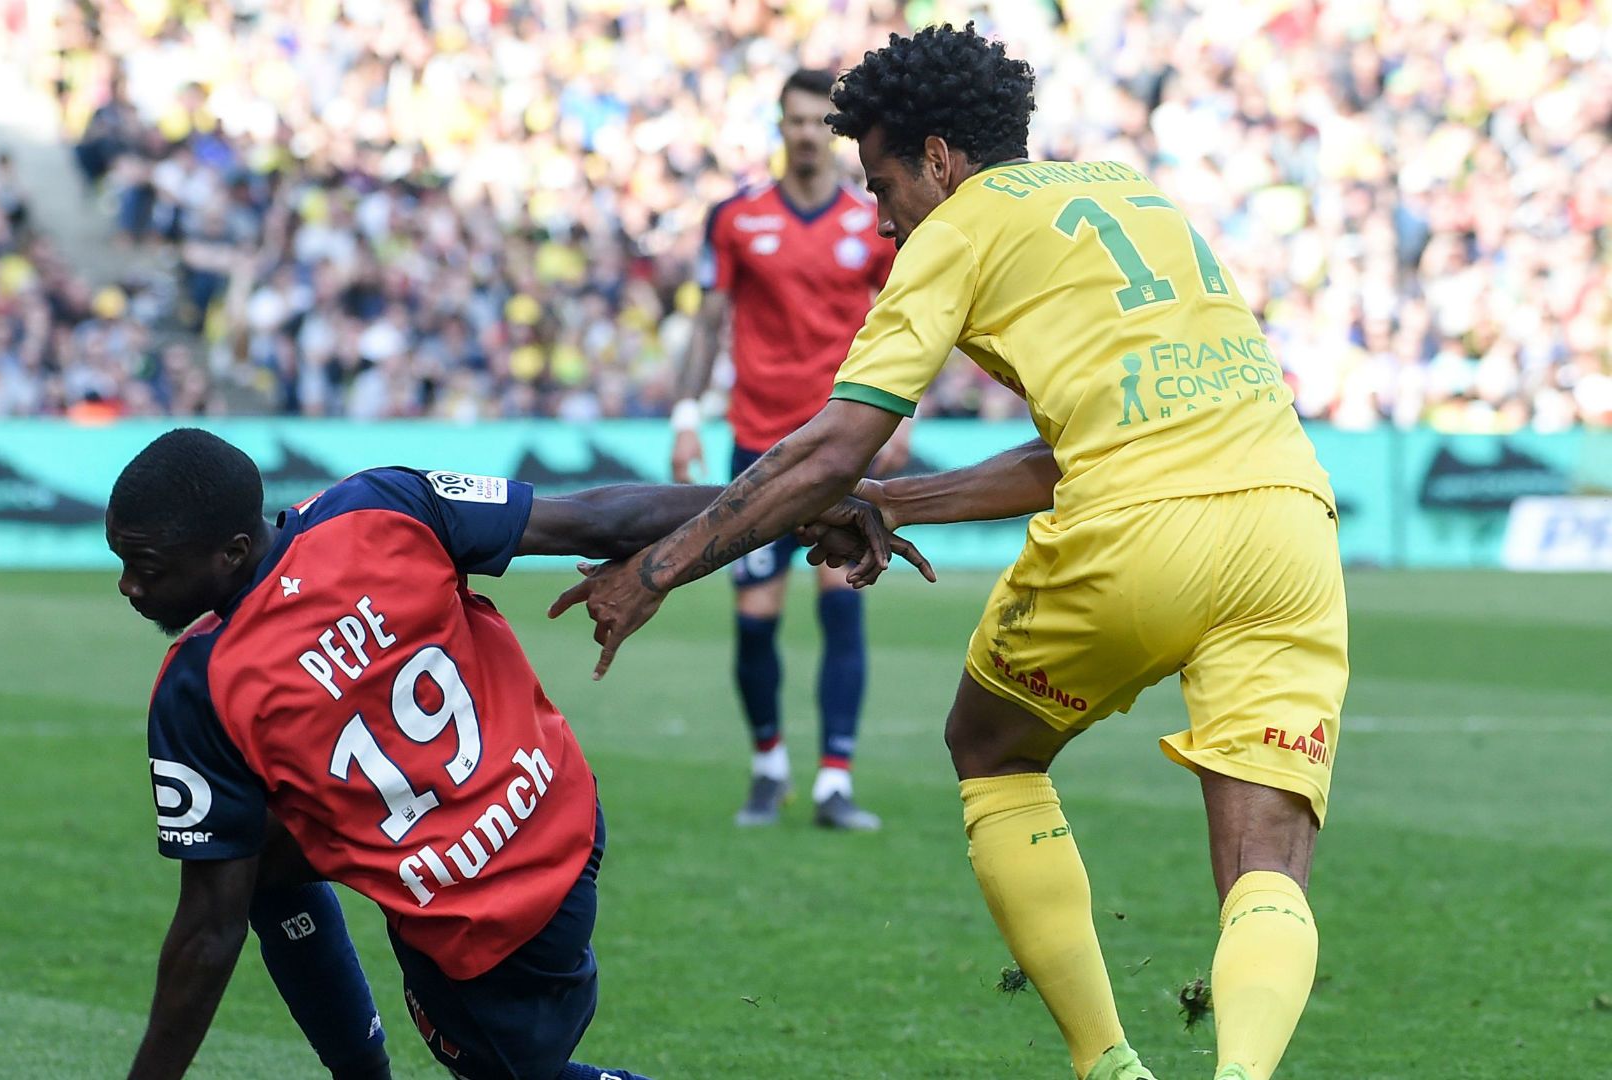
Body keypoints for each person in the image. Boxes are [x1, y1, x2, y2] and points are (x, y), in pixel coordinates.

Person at [555, 25, 1344, 1080]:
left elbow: (836, 440)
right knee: (1268, 858)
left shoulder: (956, 229)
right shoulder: (1136, 193)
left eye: (883, 183)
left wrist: (657, 568)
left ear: (939, 157)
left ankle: (1108, 1065)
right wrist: (895, 502)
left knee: (993, 748)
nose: (880, 219)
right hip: (1290, 524)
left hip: (1140, 528)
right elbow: (1074, 443)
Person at [107, 428, 918, 1080]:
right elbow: (597, 518)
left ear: (232, 550)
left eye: (144, 567)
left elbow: (206, 933)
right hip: (559, 814)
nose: (129, 588)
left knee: (510, 1071)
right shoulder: (380, 503)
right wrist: (785, 504)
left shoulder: (197, 683)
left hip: (478, 922)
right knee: (265, 862)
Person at [673, 67, 904, 829]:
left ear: (832, 131)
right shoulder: (735, 217)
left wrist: (902, 415)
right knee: (757, 612)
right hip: (755, 445)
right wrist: (684, 414)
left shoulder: (869, 220)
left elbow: (904, 319)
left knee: (844, 603)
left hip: (841, 443)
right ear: (780, 127)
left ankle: (835, 777)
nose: (806, 132)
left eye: (818, 122)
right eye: (795, 120)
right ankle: (769, 763)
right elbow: (709, 320)